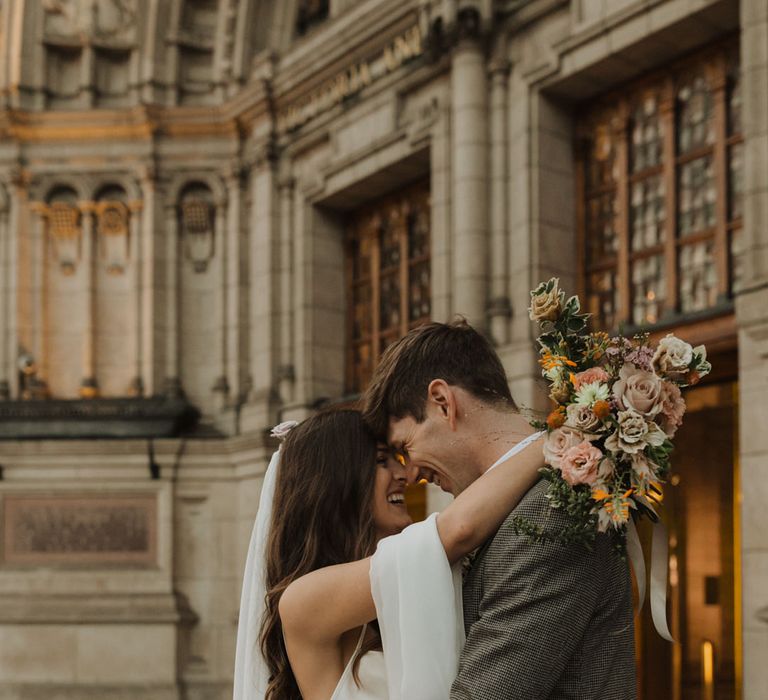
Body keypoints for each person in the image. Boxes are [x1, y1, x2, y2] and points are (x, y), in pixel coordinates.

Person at [363, 319, 637, 699]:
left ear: (443, 402)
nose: (410, 474)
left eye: (405, 446)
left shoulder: (550, 512)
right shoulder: (510, 508)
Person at [233, 408, 545, 699]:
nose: (406, 475)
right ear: (339, 479)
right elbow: (460, 529)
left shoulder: (408, 582)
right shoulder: (303, 600)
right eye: (383, 461)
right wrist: (558, 440)